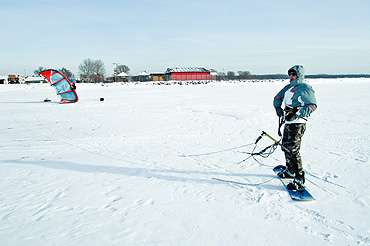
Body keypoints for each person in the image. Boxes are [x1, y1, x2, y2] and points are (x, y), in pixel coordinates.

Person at [273, 65, 317, 189]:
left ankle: (299, 178)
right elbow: (277, 98)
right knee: (286, 147)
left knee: (293, 150)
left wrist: (296, 114)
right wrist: (278, 108)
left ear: (299, 75)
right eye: (290, 74)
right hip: (288, 122)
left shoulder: (305, 88)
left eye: (293, 74)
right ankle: (289, 170)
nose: (291, 76)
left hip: (298, 123)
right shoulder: (288, 88)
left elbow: (312, 105)